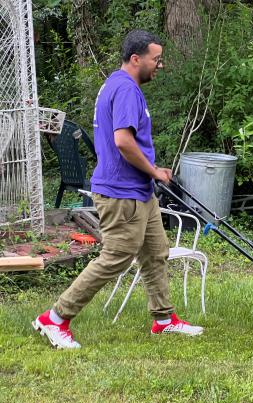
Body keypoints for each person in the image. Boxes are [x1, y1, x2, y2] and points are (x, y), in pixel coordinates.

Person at [33, 29, 204, 349]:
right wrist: (153, 170)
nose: (160, 66)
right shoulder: (125, 89)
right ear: (136, 59)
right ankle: (54, 318)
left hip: (140, 190)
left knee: (156, 253)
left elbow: (130, 142)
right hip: (120, 192)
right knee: (116, 257)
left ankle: (164, 320)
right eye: (157, 59)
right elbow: (123, 141)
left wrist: (152, 173)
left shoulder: (120, 84)